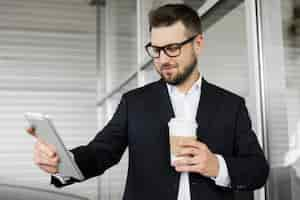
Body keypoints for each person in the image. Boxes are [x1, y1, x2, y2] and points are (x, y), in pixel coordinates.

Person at [28, 4, 269, 200]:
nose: (163, 59)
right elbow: (100, 152)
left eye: (172, 48)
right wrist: (62, 163)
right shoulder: (135, 103)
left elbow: (258, 170)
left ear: (198, 44)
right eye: (156, 49)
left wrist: (215, 165)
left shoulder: (231, 105)